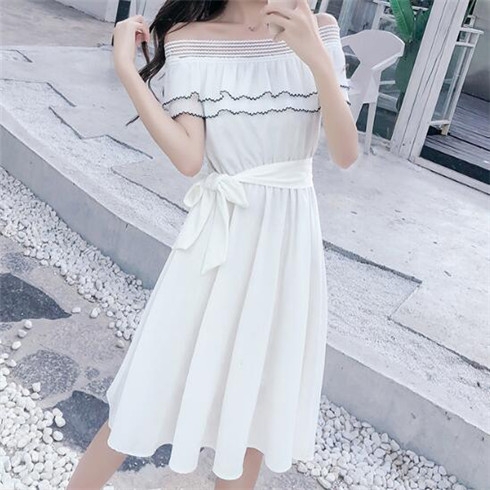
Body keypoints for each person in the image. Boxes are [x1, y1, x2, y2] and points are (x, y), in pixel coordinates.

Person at [67, 0, 358, 488]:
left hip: (287, 250)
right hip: (217, 241)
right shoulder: (189, 37)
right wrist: (126, 71)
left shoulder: (318, 28)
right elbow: (188, 158)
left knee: (251, 410)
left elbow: (346, 153)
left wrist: (317, 58)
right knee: (149, 383)